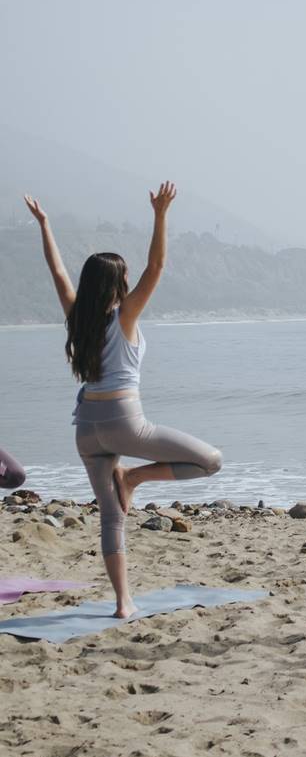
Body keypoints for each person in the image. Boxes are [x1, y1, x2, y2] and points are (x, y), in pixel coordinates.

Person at [25, 184, 222, 618]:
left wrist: (45, 225)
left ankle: (123, 603)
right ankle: (133, 478)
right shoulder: (125, 315)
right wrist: (160, 214)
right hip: (124, 422)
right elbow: (158, 265)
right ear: (119, 283)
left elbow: (57, 273)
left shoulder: (78, 317)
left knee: (111, 518)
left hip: (85, 430)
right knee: (210, 461)